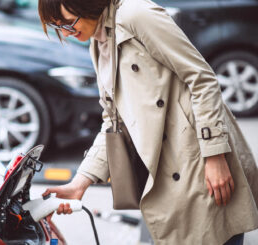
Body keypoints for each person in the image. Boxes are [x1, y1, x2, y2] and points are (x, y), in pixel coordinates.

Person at [37, 0, 258, 244]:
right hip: (164, 176)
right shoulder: (98, 43)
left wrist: (215, 155)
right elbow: (113, 120)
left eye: (69, 23)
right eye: (58, 27)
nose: (67, 33)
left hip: (198, 162)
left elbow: (202, 78)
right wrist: (80, 182)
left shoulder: (136, 14)